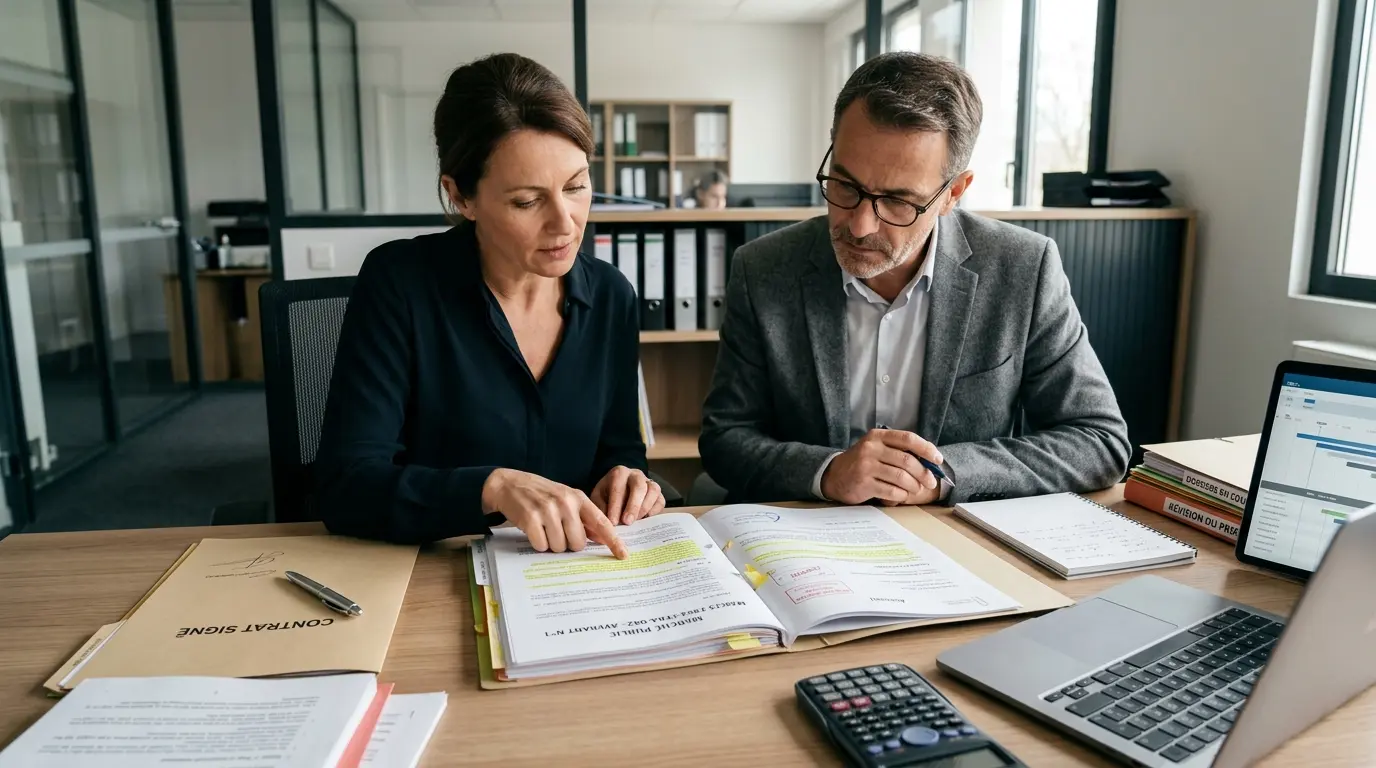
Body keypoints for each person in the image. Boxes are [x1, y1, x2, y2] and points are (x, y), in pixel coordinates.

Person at [699, 52, 1131, 507]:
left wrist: (942, 474)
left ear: (953, 194)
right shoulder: (764, 268)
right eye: (846, 186)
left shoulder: (1023, 268)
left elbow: (1098, 440)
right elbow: (725, 440)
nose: (860, 224)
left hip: (958, 544)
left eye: (899, 202)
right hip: (807, 538)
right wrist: (826, 473)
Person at [316, 53, 667, 555]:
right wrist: (491, 488)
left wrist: (628, 480)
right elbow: (347, 486)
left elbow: (619, 453)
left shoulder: (612, 295)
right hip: (432, 573)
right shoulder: (400, 284)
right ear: (460, 196)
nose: (565, 223)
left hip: (573, 579)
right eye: (527, 201)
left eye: (576, 186)